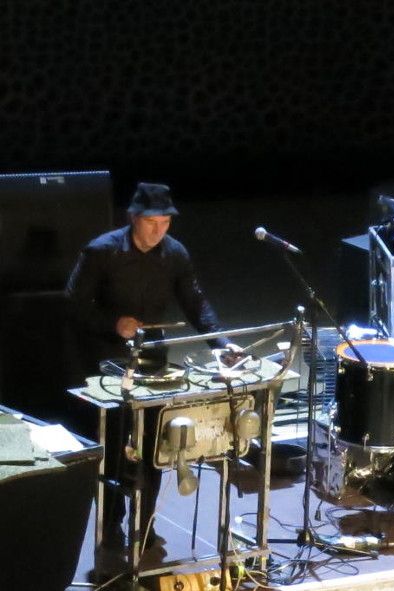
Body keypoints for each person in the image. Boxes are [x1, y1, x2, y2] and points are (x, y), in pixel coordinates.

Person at [66, 182, 236, 561]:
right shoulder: (101, 251)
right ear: (133, 219)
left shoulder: (174, 254)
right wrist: (115, 323)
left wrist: (222, 345)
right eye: (151, 223)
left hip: (152, 359)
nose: (159, 230)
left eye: (165, 223)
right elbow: (73, 305)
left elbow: (196, 303)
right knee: (116, 444)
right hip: (107, 359)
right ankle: (110, 523)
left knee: (155, 445)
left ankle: (144, 523)